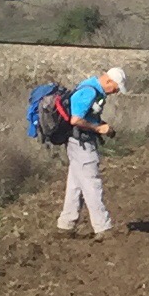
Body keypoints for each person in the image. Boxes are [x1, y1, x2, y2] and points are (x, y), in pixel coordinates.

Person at [58, 65, 126, 237]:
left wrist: (101, 125)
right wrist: (98, 128)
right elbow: (76, 119)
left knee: (76, 184)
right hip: (81, 143)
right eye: (116, 88)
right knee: (92, 183)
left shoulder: (91, 88)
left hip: (77, 142)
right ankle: (103, 227)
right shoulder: (89, 92)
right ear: (108, 81)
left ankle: (66, 224)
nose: (116, 92)